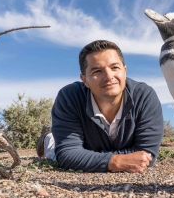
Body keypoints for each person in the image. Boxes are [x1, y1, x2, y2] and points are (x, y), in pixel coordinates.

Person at [36, 40, 164, 173]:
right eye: (97, 71)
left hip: (85, 149)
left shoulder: (144, 96)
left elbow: (146, 155)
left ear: (124, 71)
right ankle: (48, 139)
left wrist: (85, 156)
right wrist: (116, 161)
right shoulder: (70, 97)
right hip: (75, 144)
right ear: (85, 80)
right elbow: (67, 155)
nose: (109, 76)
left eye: (115, 68)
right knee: (54, 152)